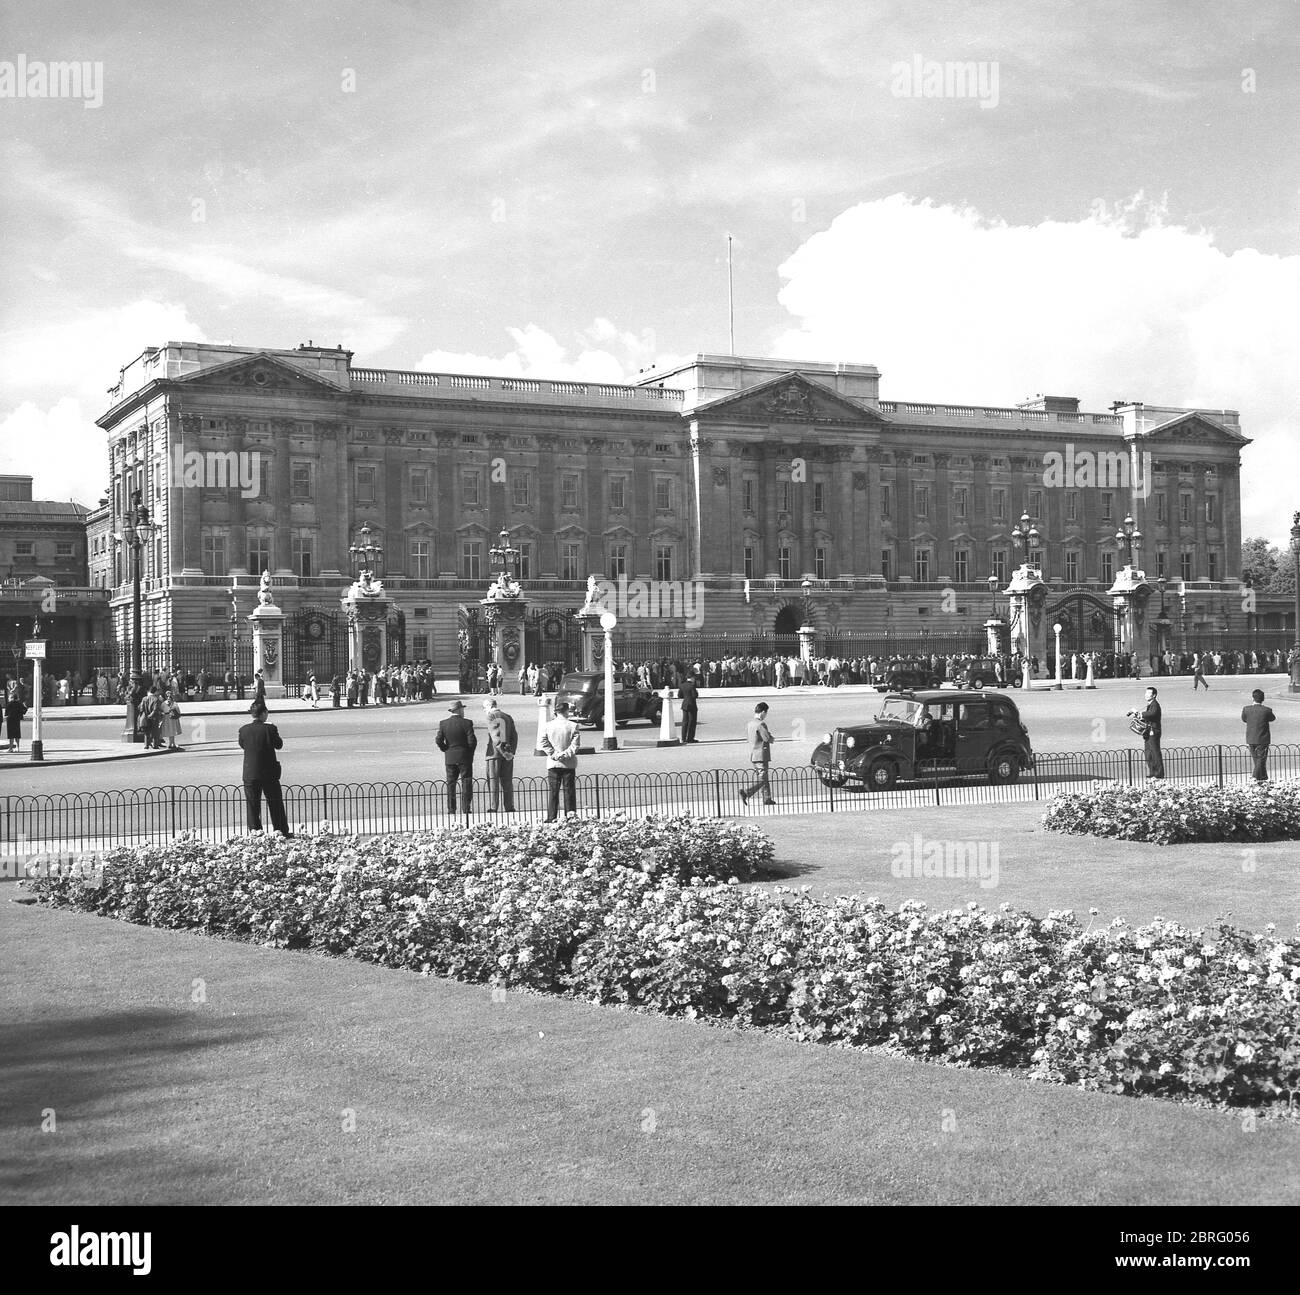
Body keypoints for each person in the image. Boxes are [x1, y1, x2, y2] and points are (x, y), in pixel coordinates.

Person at [238, 702, 290, 835]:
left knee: (253, 805)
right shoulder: (270, 729)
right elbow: (279, 745)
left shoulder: (243, 730)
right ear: (263, 713)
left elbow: (243, 745)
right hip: (269, 773)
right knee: (275, 803)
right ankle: (280, 830)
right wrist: (273, 729)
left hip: (250, 772)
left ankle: (255, 832)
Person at [435, 699, 476, 818]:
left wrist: (445, 749)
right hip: (464, 757)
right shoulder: (467, 723)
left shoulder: (443, 723)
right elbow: (472, 741)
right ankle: (466, 808)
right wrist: (469, 753)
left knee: (451, 784)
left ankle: (451, 809)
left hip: (450, 757)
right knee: (466, 782)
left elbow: (438, 739)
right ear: (459, 710)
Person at [540, 699, 580, 821]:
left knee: (553, 791)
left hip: (553, 762)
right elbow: (575, 745)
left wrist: (554, 754)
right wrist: (565, 754)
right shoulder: (573, 726)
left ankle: (551, 817)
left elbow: (543, 742)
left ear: (556, 712)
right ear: (566, 711)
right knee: (569, 791)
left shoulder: (547, 725)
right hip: (568, 763)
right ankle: (570, 816)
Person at [482, 696, 518, 812]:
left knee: (493, 781)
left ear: (489, 706)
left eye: (484, 708)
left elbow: (496, 736)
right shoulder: (507, 716)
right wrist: (510, 752)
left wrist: (503, 752)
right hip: (508, 753)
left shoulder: (491, 716)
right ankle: (509, 806)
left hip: (495, 754)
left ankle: (494, 807)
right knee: (507, 781)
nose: (484, 710)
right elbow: (514, 736)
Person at [739, 702, 775, 806]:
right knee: (762, 778)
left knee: (764, 777)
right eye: (766, 713)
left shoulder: (750, 724)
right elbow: (766, 738)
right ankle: (746, 792)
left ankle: (767, 798)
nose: (765, 716)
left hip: (753, 754)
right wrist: (771, 738)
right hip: (761, 754)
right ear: (763, 712)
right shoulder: (761, 724)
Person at [1127, 686, 1164, 780]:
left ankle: (1159, 773)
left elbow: (1151, 714)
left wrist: (1137, 712)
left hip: (1153, 731)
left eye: (1148, 693)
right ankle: (1152, 771)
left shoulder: (1155, 705)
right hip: (1148, 732)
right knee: (1148, 753)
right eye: (1146, 693)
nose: (1146, 695)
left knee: (1155, 752)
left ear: (1154, 695)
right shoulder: (1150, 704)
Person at [1241, 688, 1276, 782]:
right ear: (1263, 699)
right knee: (1261, 760)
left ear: (1253, 698)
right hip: (1263, 738)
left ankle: (1263, 777)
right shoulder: (1267, 710)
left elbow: (1244, 719)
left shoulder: (1246, 709)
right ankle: (1255, 777)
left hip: (1251, 738)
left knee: (1257, 760)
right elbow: (1272, 718)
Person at [4, 683, 27, 752]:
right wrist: (21, 713)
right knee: (17, 733)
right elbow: (25, 709)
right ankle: (18, 747)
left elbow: (6, 712)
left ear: (11, 698)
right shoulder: (19, 703)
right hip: (17, 719)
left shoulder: (9, 704)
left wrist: (7, 715)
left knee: (11, 734)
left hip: (10, 719)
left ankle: (10, 748)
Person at [678, 674, 699, 743]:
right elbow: (694, 695)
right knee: (692, 722)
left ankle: (683, 738)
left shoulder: (682, 685)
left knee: (685, 722)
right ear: (692, 678)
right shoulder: (692, 686)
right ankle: (690, 738)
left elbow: (679, 696)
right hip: (692, 704)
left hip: (684, 704)